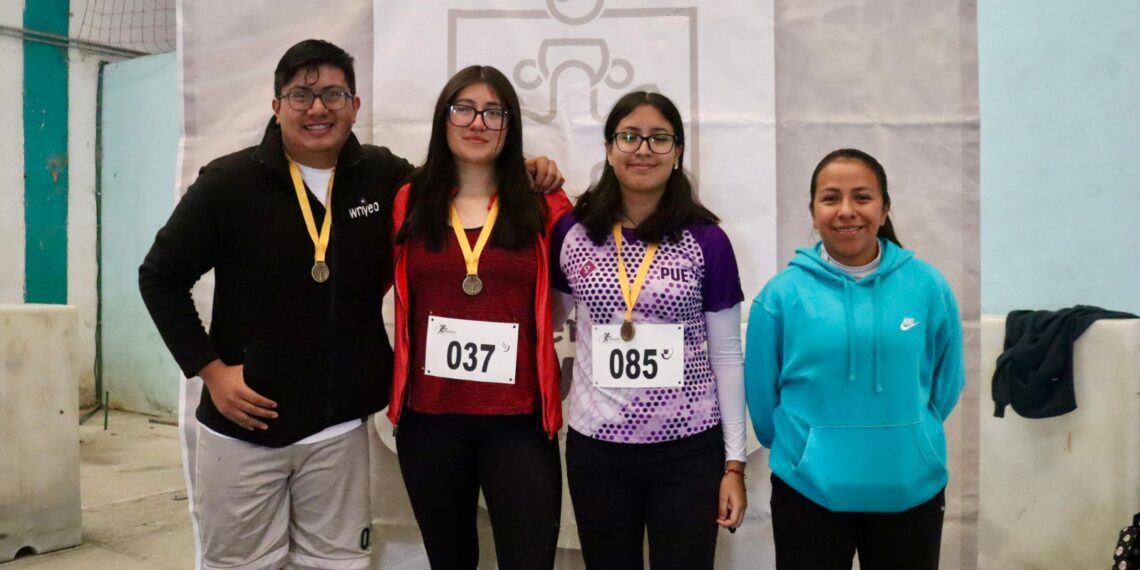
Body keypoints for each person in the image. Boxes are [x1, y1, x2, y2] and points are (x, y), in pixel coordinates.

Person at [138, 40, 563, 570]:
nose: (318, 108)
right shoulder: (229, 183)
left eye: (334, 94)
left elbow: (463, 172)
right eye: (301, 94)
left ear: (356, 105)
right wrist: (211, 371)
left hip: (338, 425)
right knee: (240, 564)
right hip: (243, 421)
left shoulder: (383, 177)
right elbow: (159, 277)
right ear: (276, 106)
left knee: (336, 563)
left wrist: (526, 163)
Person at [550, 91, 747, 570]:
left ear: (678, 152)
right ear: (609, 148)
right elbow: (549, 322)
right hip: (597, 449)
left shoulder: (708, 240)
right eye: (630, 137)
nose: (643, 150)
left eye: (659, 139)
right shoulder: (572, 232)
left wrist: (734, 464)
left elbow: (726, 355)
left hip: (688, 451)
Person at [385, 65, 571, 569]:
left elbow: (587, 276)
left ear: (509, 127)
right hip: (430, 420)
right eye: (463, 108)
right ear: (442, 119)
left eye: (494, 112)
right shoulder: (409, 200)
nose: (478, 122)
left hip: (519, 421)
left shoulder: (540, 201)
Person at [744, 148, 966, 570]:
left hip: (910, 488)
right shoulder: (780, 296)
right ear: (812, 212)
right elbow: (762, 397)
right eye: (831, 198)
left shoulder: (928, 287)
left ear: (884, 209)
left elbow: (946, 384)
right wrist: (807, 449)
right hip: (808, 492)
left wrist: (911, 435)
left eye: (862, 197)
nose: (847, 211)